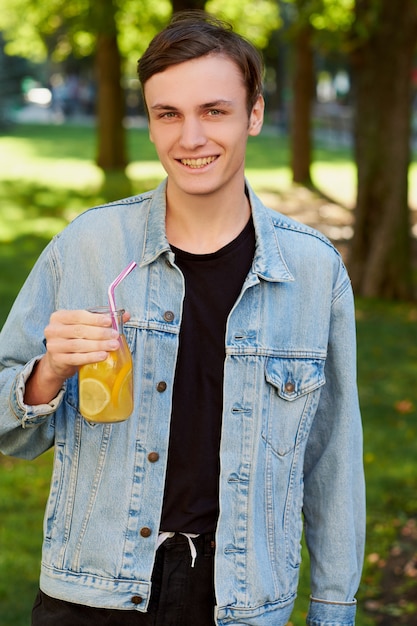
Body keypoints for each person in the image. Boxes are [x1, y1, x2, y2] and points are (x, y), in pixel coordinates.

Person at [0, 11, 365, 626]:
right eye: (168, 113)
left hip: (242, 603)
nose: (190, 137)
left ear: (254, 114)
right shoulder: (87, 246)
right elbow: (11, 433)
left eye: (214, 111)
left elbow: (333, 459)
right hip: (93, 596)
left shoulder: (313, 270)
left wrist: (332, 609)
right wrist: (47, 373)